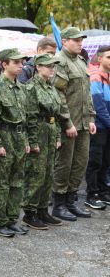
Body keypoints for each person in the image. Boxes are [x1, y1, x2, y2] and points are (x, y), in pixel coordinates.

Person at [51, 27, 97, 220]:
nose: (80, 43)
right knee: (64, 163)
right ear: (65, 40)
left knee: (80, 163)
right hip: (67, 124)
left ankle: (71, 200)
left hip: (84, 122)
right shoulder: (60, 62)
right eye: (76, 40)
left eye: (81, 40)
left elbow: (87, 94)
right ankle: (59, 204)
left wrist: (92, 117)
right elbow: (58, 95)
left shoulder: (80, 61)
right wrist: (67, 122)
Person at [0, 48, 29, 237]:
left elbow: (25, 119)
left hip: (19, 140)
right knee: (1, 183)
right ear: (4, 64)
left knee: (17, 182)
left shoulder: (21, 88)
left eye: (22, 62)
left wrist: (27, 140)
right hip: (4, 138)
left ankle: (12, 219)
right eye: (16, 62)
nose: (21, 65)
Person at [22, 54, 66, 229]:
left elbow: (55, 114)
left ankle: (42, 209)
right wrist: (33, 141)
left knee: (48, 173)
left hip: (50, 129)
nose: (51, 69)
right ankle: (30, 213)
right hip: (38, 131)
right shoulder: (31, 87)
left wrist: (56, 137)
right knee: (36, 174)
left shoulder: (51, 87)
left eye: (53, 66)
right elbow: (30, 117)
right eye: (48, 66)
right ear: (38, 67)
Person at [85, 45, 110, 209]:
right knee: (95, 161)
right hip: (100, 126)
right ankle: (91, 194)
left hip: (107, 126)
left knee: (106, 161)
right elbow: (98, 105)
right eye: (108, 57)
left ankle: (102, 191)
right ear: (99, 58)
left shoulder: (107, 77)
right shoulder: (95, 77)